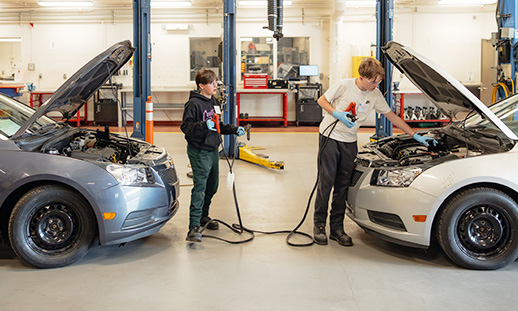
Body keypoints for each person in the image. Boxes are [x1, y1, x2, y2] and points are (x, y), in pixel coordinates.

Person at [313, 58, 437, 247]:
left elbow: (391, 116)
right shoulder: (345, 86)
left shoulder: (375, 94)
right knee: (326, 182)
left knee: (343, 185)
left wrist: (415, 134)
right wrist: (336, 113)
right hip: (330, 137)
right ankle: (319, 225)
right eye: (373, 81)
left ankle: (336, 228)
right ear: (362, 77)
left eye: (378, 81)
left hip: (349, 141)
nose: (376, 85)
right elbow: (322, 100)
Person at [181, 69, 246, 243]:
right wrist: (204, 125)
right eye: (211, 83)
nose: (215, 85)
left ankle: (204, 216)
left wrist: (233, 130)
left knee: (212, 186)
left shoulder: (214, 102)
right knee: (200, 188)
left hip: (212, 150)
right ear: (201, 85)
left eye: (216, 82)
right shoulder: (193, 104)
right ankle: (193, 227)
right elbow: (185, 127)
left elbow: (219, 125)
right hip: (199, 150)